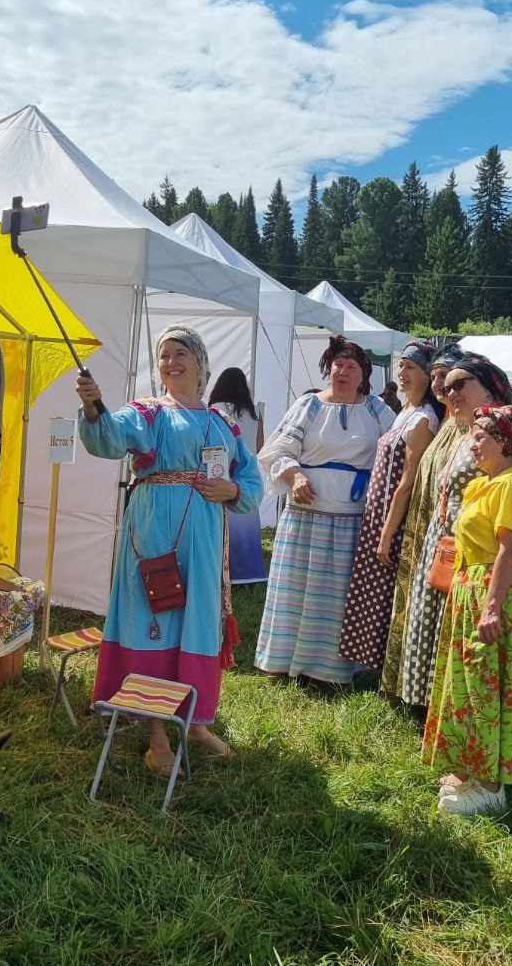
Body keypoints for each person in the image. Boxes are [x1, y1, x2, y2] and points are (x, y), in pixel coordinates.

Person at [76, 324, 263, 776]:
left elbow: (254, 485)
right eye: (163, 355)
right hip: (155, 532)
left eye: (181, 353)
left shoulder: (224, 424)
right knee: (156, 618)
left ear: (200, 362)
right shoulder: (148, 413)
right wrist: (93, 406)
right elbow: (110, 436)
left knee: (195, 622)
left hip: (202, 538)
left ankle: (194, 720)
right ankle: (157, 733)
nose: (171, 362)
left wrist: (230, 487)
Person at [425, 405, 512, 815]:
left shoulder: (510, 487)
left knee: (486, 686)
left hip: (489, 593)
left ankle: (492, 787)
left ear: (506, 444)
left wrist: (492, 608)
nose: (473, 444)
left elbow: (509, 550)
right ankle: (470, 768)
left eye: (481, 437)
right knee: (466, 683)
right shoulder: (484, 484)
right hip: (468, 589)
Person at [380, 349, 512, 711]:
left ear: (489, 390)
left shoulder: (501, 433)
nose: (450, 391)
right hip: (445, 546)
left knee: (464, 638)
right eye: (446, 384)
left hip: (479, 557)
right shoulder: (461, 430)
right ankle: (435, 707)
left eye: (461, 384)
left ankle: (462, 717)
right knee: (438, 627)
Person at [255, 337, 394, 684]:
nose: (343, 372)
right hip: (307, 516)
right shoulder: (309, 406)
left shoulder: (377, 410)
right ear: (328, 369)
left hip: (356, 520)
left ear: (364, 375)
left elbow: (399, 451)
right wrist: (295, 475)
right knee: (299, 592)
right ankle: (287, 661)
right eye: (338, 365)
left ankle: (335, 669)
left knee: (341, 597)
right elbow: (276, 451)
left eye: (352, 367)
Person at [339, 340, 443, 673]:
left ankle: (388, 666)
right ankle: (371, 664)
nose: (402, 373)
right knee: (372, 592)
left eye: (410, 367)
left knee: (387, 595)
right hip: (378, 514)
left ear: (427, 375)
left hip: (394, 520)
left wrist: (388, 530)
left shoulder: (424, 419)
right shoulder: (405, 413)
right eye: (401, 366)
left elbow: (408, 480)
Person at [207, 366, 266, 584]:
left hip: (223, 473)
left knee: (223, 528)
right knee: (248, 531)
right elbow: (260, 446)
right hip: (248, 476)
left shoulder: (214, 409)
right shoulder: (255, 412)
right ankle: (251, 574)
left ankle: (225, 574)